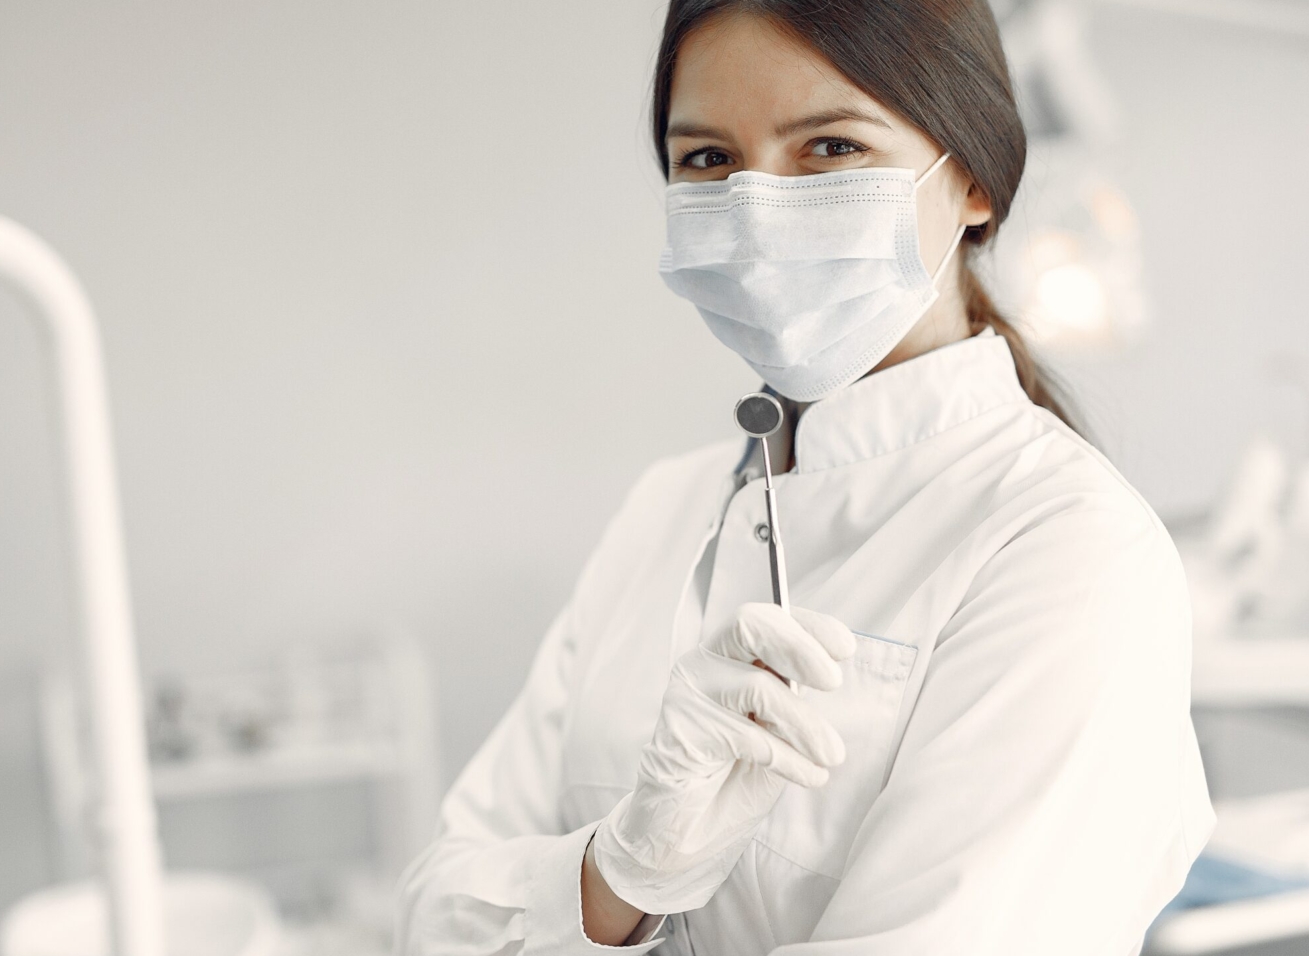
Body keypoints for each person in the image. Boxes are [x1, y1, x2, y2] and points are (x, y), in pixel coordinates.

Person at [397, 1, 1213, 953]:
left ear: (976, 179)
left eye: (829, 147)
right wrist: (615, 878)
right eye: (707, 159)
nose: (754, 211)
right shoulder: (667, 508)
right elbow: (435, 907)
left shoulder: (1068, 549)